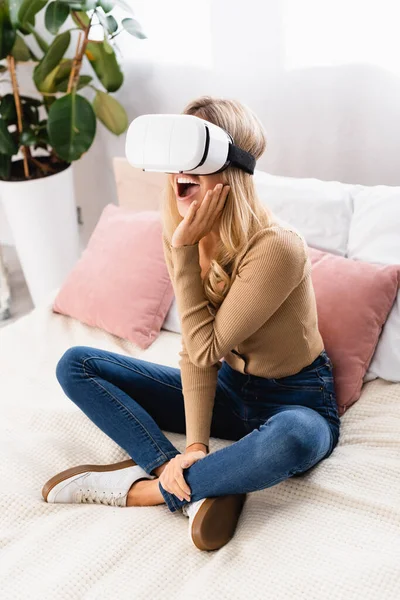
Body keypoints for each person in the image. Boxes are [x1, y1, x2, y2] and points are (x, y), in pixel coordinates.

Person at [41, 96, 340, 552]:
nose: (180, 166)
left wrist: (183, 252)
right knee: (76, 364)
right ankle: (183, 475)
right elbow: (196, 357)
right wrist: (193, 448)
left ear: (229, 163)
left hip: (296, 399)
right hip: (229, 390)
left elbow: (207, 345)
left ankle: (144, 491)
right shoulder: (182, 231)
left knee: (294, 441)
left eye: (194, 149)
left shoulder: (277, 246)